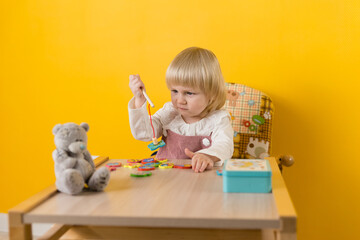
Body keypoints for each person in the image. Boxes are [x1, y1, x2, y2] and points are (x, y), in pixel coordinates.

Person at [128, 47, 234, 173]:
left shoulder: (218, 119)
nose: (179, 100)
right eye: (174, 91)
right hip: (166, 179)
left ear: (212, 95)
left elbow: (225, 146)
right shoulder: (169, 112)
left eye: (189, 93)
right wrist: (139, 99)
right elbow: (144, 134)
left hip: (200, 180)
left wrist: (207, 155)